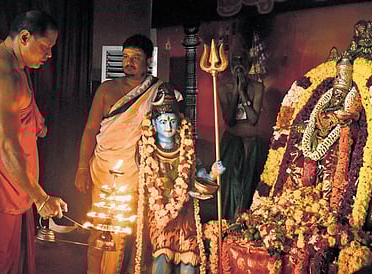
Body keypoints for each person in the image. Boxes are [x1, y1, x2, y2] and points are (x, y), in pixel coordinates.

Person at [0, 10, 67, 273]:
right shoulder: (3, 76)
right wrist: (41, 198)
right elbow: (8, 148)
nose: (49, 55)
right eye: (45, 47)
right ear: (24, 37)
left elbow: (11, 111)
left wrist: (34, 121)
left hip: (9, 184)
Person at [74, 34, 170, 274]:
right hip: (102, 169)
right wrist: (82, 168)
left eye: (135, 57)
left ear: (148, 60)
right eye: (126, 57)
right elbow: (89, 129)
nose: (129, 62)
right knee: (99, 227)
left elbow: (167, 132)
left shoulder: (157, 92)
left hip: (133, 171)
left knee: (121, 231)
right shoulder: (106, 89)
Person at [135, 85, 225, 274]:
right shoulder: (146, 151)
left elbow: (196, 177)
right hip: (160, 214)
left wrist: (213, 174)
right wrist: (174, 196)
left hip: (186, 214)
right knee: (162, 259)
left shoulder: (187, 147)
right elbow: (149, 183)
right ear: (153, 124)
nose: (168, 127)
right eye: (163, 122)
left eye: (172, 121)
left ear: (179, 123)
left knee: (190, 262)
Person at [218, 39, 265, 221]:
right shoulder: (224, 89)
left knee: (248, 187)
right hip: (232, 143)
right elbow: (229, 121)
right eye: (235, 61)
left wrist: (244, 93)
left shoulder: (258, 87)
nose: (239, 65)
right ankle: (229, 222)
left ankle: (244, 225)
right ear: (230, 65)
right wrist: (236, 92)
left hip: (251, 146)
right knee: (231, 187)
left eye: (242, 61)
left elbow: (253, 120)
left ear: (249, 64)